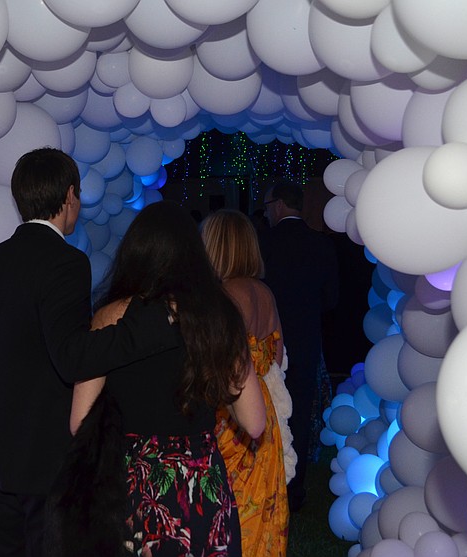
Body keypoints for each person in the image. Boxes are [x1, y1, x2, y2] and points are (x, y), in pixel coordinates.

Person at [0, 147, 177, 557]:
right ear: (71, 196)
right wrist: (144, 328)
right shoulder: (66, 263)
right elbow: (73, 357)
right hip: (45, 462)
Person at [67, 201, 266, 557]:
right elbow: (253, 423)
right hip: (200, 481)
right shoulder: (217, 318)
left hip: (133, 481)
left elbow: (79, 422)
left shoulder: (110, 317)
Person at [201, 209, 292, 557]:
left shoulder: (222, 297)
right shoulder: (264, 292)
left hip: (231, 415)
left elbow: (215, 364)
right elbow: (279, 359)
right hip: (262, 413)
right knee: (262, 512)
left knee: (230, 512)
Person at [257, 181, 339, 512]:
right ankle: (295, 490)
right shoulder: (321, 244)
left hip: (265, 343)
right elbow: (332, 299)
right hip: (304, 342)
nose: (265, 213)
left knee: (266, 411)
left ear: (278, 205)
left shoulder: (264, 242)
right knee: (299, 414)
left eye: (266, 207)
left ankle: (267, 482)